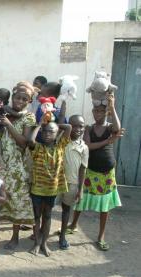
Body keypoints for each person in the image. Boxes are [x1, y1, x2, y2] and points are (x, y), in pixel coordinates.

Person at [68, 94, 123, 251]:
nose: (97, 114)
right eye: (95, 111)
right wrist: (108, 141)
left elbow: (117, 129)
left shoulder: (109, 127)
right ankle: (73, 225)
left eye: (101, 111)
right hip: (90, 170)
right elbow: (88, 146)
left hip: (107, 172)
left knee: (104, 206)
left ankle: (101, 236)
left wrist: (112, 107)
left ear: (106, 113)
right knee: (81, 198)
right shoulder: (89, 128)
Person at [0, 82, 36, 250]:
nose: (20, 101)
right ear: (12, 97)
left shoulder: (29, 117)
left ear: (29, 101)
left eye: (24, 99)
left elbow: (24, 143)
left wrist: (8, 124)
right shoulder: (2, 111)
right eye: (17, 97)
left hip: (16, 167)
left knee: (16, 202)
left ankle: (15, 237)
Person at [28, 120, 71, 257]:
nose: (47, 134)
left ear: (57, 133)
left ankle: (44, 243)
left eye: (51, 131)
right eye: (45, 131)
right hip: (37, 188)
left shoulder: (60, 146)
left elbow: (69, 127)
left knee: (47, 215)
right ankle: (36, 242)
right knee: (36, 216)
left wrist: (53, 122)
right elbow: (30, 140)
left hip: (51, 189)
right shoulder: (38, 147)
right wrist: (41, 124)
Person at [58, 115, 88, 250]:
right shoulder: (62, 139)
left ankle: (62, 236)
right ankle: (40, 232)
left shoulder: (84, 147)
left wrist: (80, 189)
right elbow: (59, 125)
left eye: (81, 126)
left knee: (66, 210)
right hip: (55, 182)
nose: (77, 129)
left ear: (84, 128)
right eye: (73, 125)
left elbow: (83, 169)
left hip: (72, 184)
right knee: (45, 208)